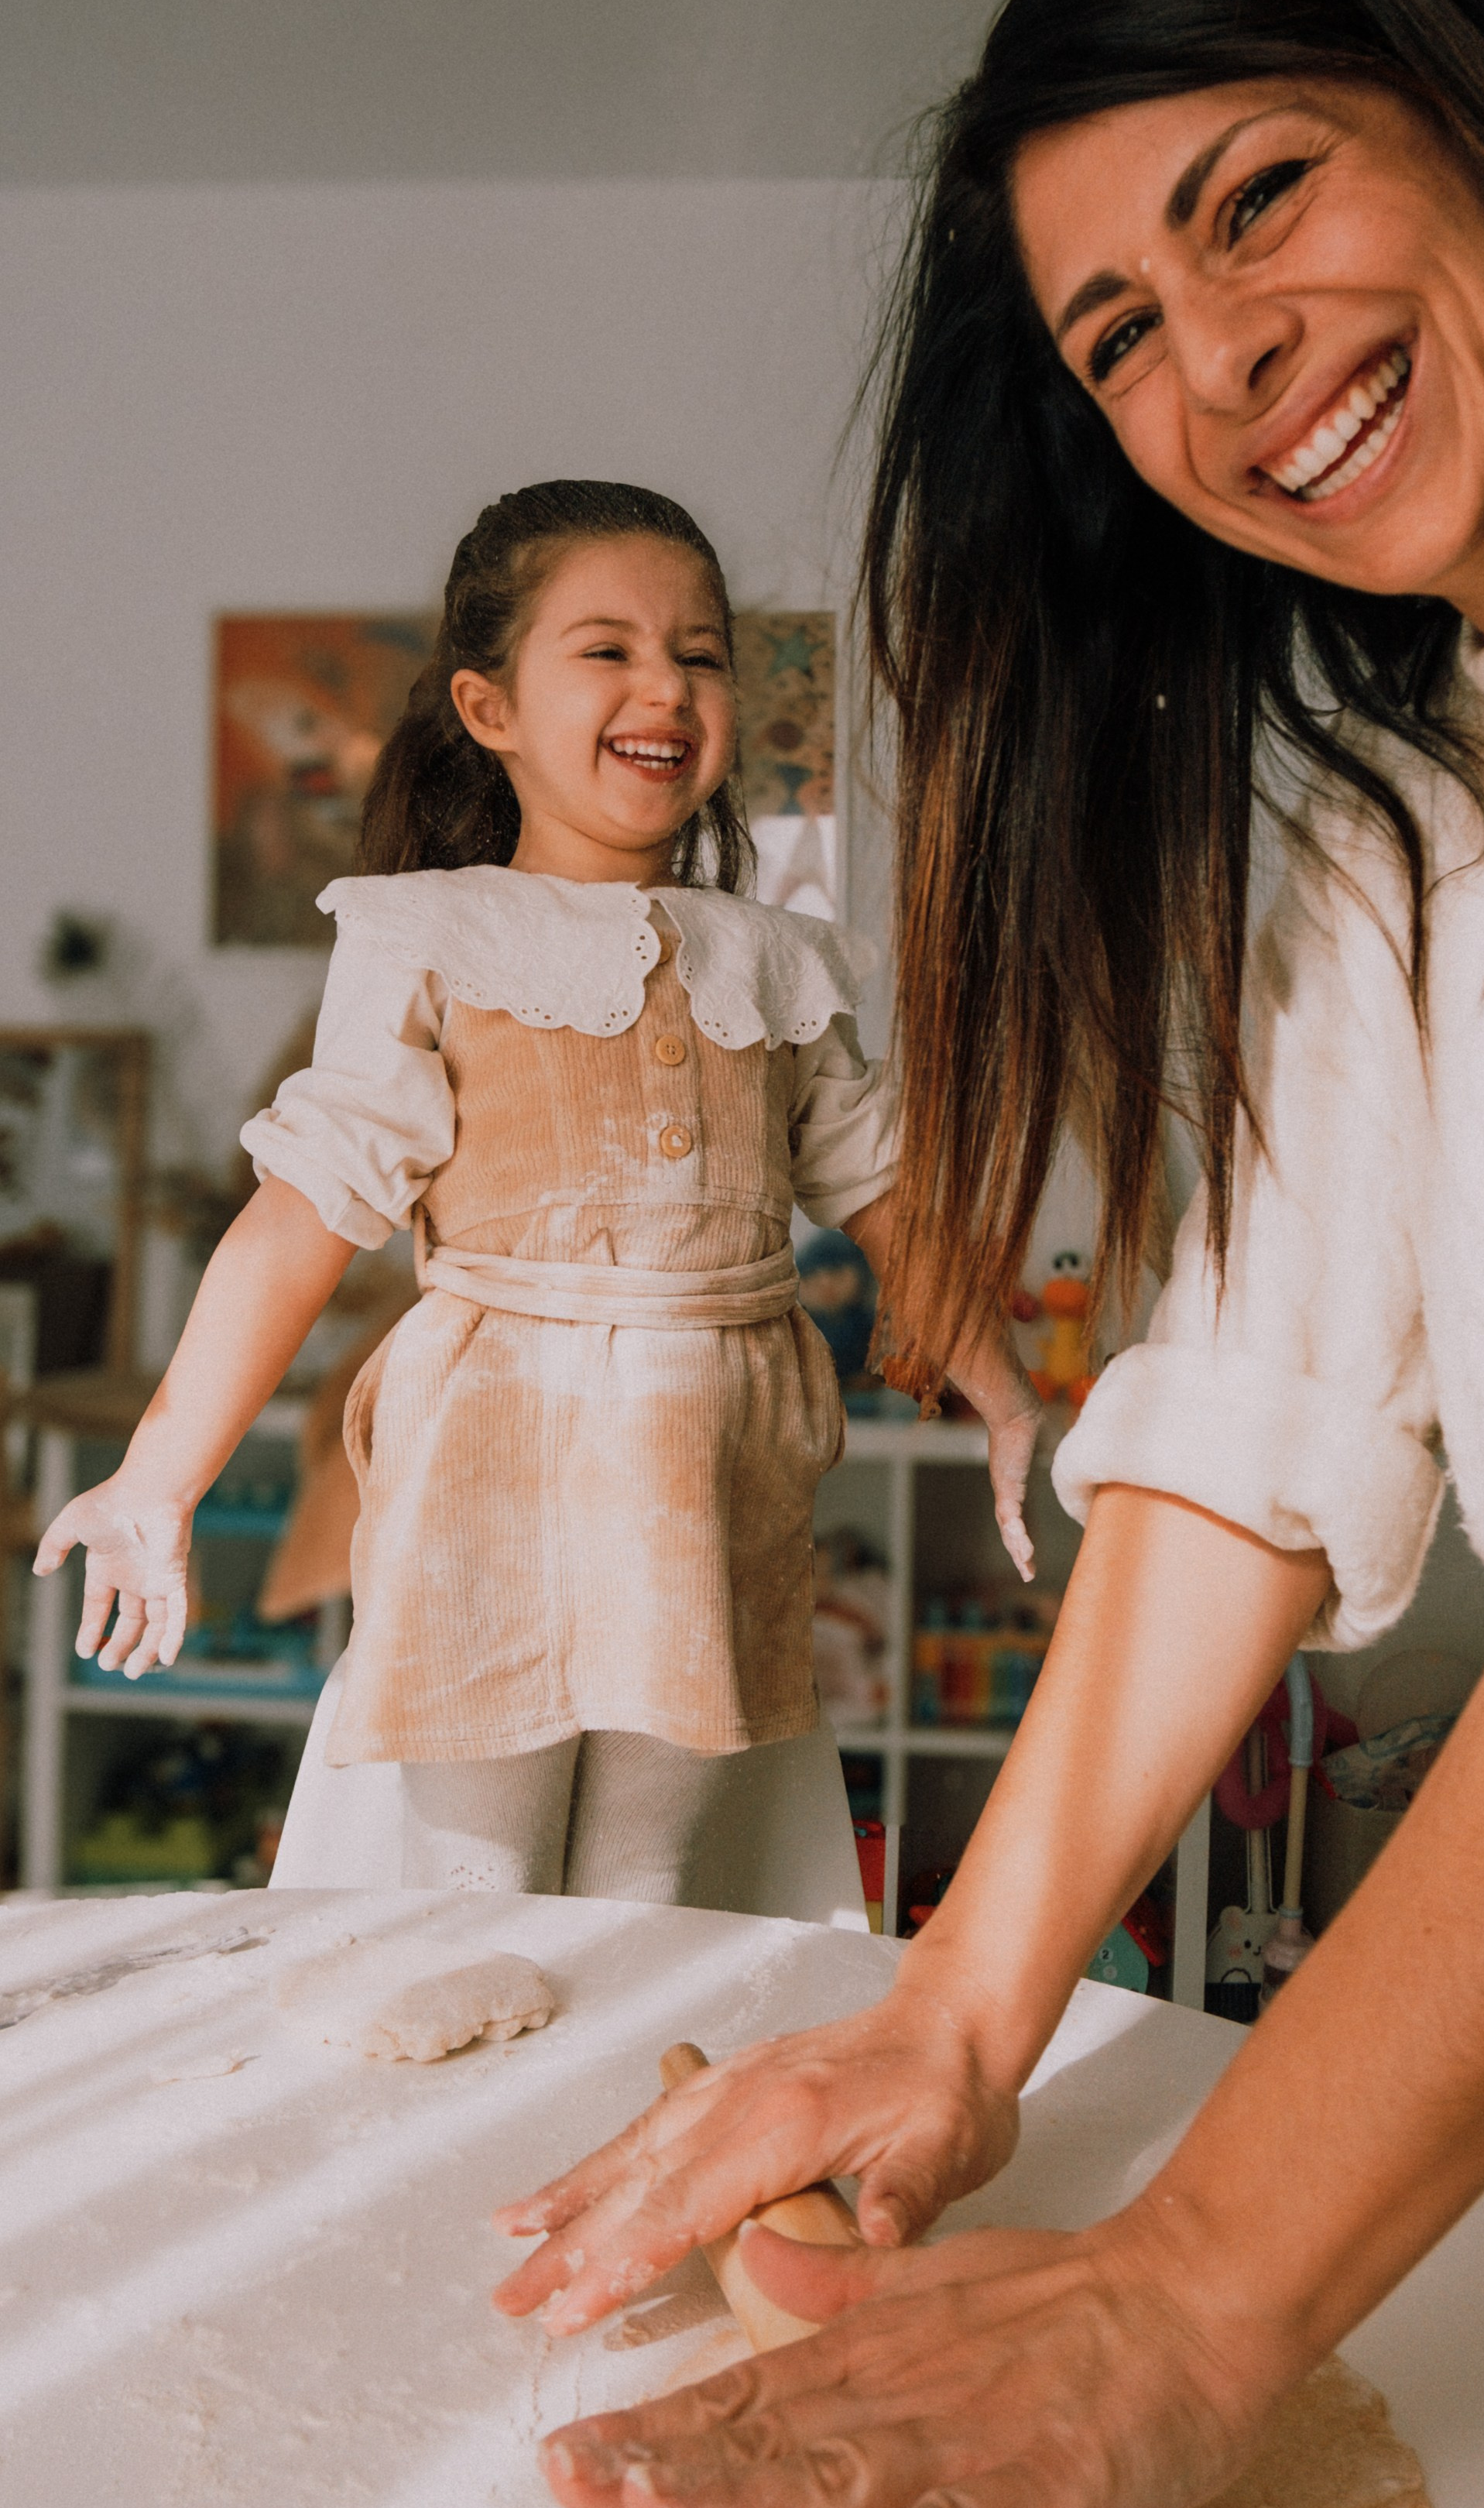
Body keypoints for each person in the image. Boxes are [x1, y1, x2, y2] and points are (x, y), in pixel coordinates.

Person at [488, 0, 1484, 2508]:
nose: (1223, 364)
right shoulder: (1417, 795)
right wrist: (953, 2014)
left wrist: (1194, 2291)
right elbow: (1249, 1407)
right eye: (1118, 342)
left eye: (1260, 198)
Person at [36, 479, 1036, 1910]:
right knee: (477, 1882)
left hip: (714, 1471)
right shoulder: (430, 932)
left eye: (700, 654)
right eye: (608, 649)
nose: (665, 686)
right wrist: (158, 1476)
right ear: (489, 706)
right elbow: (302, 1214)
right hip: (491, 1453)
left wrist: (1004, 1391)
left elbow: (882, 1191)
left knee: (648, 1887)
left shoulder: (778, 959)